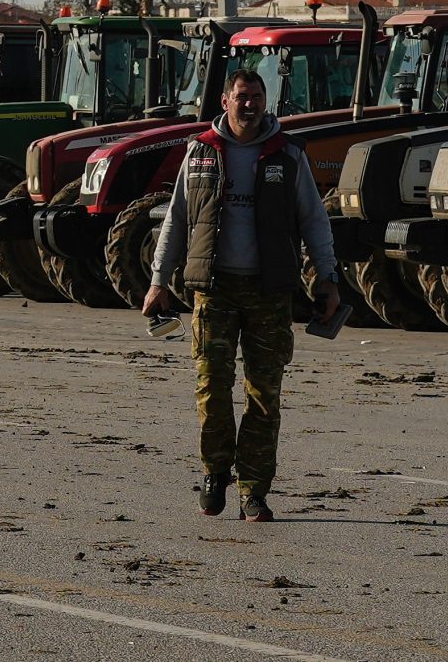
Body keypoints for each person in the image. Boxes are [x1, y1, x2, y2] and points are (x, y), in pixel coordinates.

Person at [144, 68, 341, 522]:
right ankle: (215, 473)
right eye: (241, 96)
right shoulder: (200, 152)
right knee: (212, 387)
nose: (249, 104)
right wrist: (158, 281)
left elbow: (314, 220)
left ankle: (254, 489)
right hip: (214, 291)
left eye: (257, 96)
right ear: (224, 100)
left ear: (264, 101)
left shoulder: (288, 154)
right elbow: (176, 220)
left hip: (270, 293)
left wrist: (327, 277)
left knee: (263, 394)